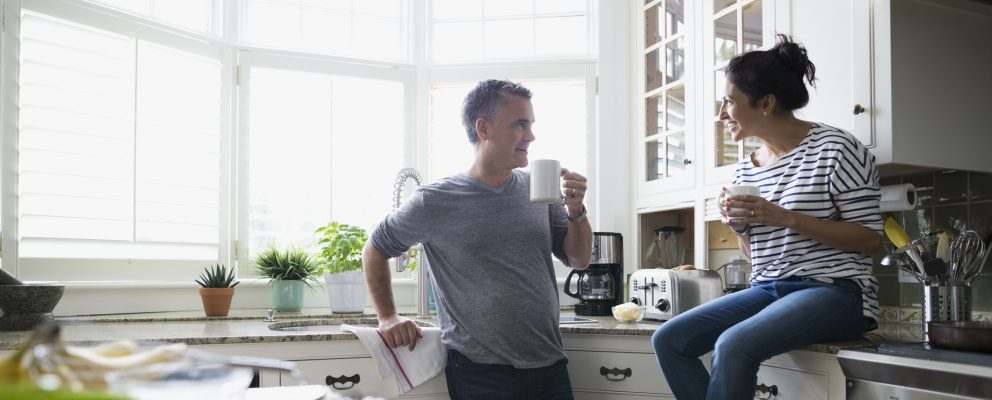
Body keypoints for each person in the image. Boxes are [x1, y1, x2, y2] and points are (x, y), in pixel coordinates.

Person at [651, 34, 883, 400]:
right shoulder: (747, 171)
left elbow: (870, 239)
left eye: (729, 101)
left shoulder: (838, 148)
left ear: (766, 103)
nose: (721, 113)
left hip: (837, 292)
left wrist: (785, 217)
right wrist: (739, 226)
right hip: (770, 288)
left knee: (733, 344)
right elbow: (753, 256)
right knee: (669, 339)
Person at [363, 79, 594, 399]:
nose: (531, 135)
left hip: (549, 363)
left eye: (531, 124)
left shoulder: (541, 190)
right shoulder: (434, 201)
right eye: (520, 124)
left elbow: (580, 260)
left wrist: (576, 208)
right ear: (484, 128)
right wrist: (387, 316)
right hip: (480, 374)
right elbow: (375, 248)